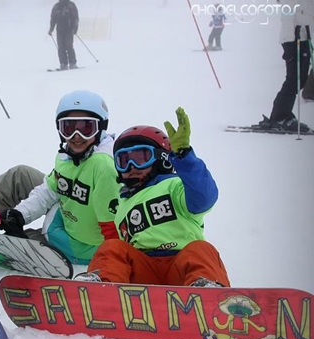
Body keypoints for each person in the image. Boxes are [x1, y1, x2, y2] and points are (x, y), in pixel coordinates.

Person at [79, 107, 231, 288]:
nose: (131, 166)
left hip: (182, 268)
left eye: (140, 157)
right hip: (144, 273)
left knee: (201, 249)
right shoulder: (122, 208)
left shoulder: (175, 186)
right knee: (113, 247)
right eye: (123, 161)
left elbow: (204, 196)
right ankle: (102, 290)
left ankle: (206, 292)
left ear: (161, 158)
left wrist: (184, 158)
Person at [0, 90, 120, 265]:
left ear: (101, 128)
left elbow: (112, 227)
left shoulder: (103, 167)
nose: (76, 137)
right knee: (20, 174)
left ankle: (10, 243)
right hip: (64, 217)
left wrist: (114, 264)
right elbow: (49, 190)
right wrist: (19, 215)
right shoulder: (67, 156)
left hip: (79, 245)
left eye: (86, 128)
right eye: (68, 128)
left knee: (25, 244)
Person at [258, 0, 313, 131]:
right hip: (295, 39)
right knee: (294, 79)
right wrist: (290, 42)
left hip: (305, 38)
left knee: (300, 79)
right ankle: (280, 117)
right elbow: (287, 17)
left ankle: (282, 115)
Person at [48, 0, 79, 70]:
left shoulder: (71, 5)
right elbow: (53, 19)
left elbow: (75, 18)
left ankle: (72, 63)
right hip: (59, 31)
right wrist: (51, 29)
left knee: (69, 46)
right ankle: (63, 64)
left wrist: (75, 28)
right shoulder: (56, 7)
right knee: (61, 47)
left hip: (69, 30)